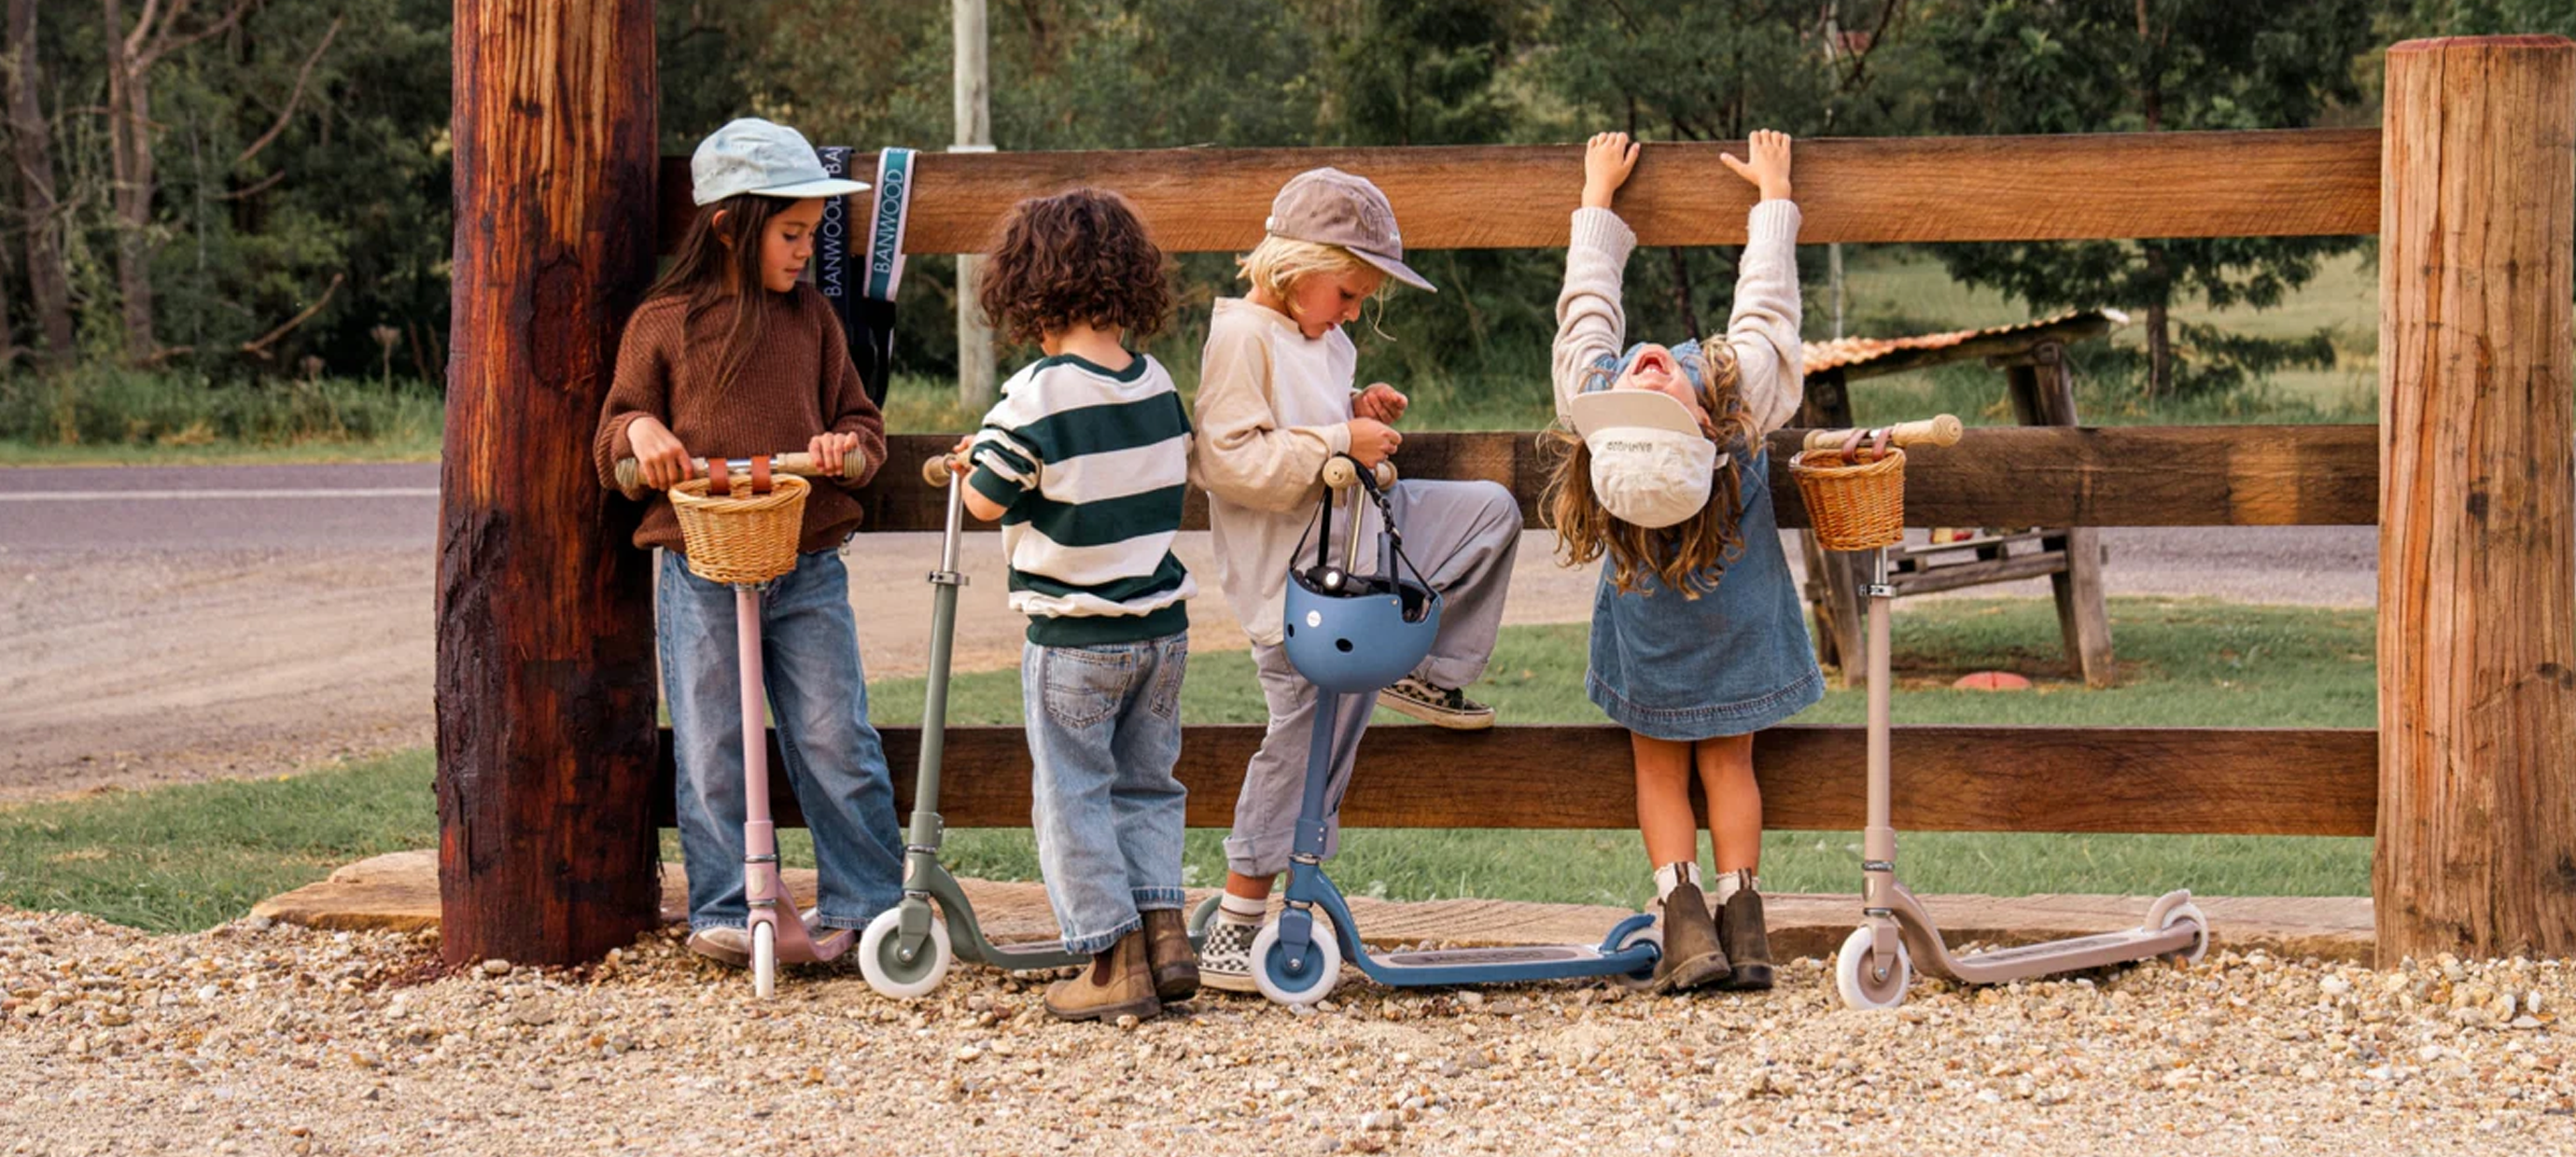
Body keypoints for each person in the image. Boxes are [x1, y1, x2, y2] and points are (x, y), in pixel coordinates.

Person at [1190, 167, 1523, 993]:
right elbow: (1230, 464)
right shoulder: (1241, 337)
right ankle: (1239, 915)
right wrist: (1340, 439)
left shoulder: (1320, 334)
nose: (1350, 313)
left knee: (1489, 513)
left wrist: (1356, 407)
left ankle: (1421, 667)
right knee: (1306, 739)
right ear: (1296, 267)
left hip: (1360, 541)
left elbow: (1309, 416)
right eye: (1346, 294)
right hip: (1302, 585)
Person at [593, 118, 901, 968]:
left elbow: (862, 428)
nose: (806, 250)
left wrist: (845, 449)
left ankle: (871, 905)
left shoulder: (813, 321)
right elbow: (614, 436)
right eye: (791, 232)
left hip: (806, 563)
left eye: (812, 233)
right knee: (711, 741)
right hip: (700, 566)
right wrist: (642, 434)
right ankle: (728, 906)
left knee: (836, 734)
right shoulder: (663, 324)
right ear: (731, 226)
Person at [1541, 130, 1820, 992]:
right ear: (1706, 433)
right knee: (1728, 764)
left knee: (1658, 767)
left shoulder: (1591, 394)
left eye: (1639, 398)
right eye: (1648, 398)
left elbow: (1587, 313)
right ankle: (1741, 920)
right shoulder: (1744, 399)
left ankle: (1684, 917)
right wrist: (1773, 200)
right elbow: (1766, 313)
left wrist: (1597, 201)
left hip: (1650, 638)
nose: (1644, 377)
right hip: (1739, 627)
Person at [951, 188, 1199, 1021]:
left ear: (1027, 290)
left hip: (1075, 637)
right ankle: (1165, 936)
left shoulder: (1037, 394)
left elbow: (985, 498)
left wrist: (975, 459)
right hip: (1162, 631)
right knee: (1148, 784)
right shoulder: (1155, 382)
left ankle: (1109, 960)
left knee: (1073, 795)